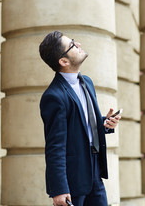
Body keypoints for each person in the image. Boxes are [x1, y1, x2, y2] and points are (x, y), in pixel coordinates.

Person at [39, 31, 120, 206]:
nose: (79, 44)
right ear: (63, 61)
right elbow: (55, 146)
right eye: (73, 45)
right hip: (73, 179)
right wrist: (59, 189)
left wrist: (104, 123)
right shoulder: (54, 96)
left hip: (95, 172)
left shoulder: (87, 82)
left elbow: (82, 123)